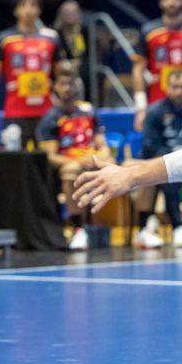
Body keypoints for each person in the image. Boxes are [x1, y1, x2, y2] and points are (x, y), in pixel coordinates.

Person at [36, 63, 112, 251]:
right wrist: (78, 161)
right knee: (71, 171)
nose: (68, 88)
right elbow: (52, 157)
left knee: (117, 165)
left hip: (91, 160)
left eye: (71, 83)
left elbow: (103, 146)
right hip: (69, 163)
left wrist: (100, 159)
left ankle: (141, 225)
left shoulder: (89, 111)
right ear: (55, 87)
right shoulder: (50, 118)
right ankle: (78, 229)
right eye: (63, 84)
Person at [0, 0, 65, 146]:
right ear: (15, 10)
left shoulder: (51, 38)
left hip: (46, 110)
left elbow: (61, 74)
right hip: (15, 110)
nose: (29, 9)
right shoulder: (5, 39)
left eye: (33, 5)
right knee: (13, 156)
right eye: (23, 5)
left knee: (48, 158)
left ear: (39, 10)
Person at [133, 69, 182, 249]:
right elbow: (150, 145)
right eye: (175, 87)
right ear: (166, 88)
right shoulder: (155, 112)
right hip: (159, 160)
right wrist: (172, 159)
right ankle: (177, 226)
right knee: (168, 173)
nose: (179, 92)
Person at [131, 0, 182, 132]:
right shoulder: (149, 31)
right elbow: (138, 70)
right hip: (157, 102)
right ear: (160, 2)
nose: (172, 2)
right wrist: (141, 108)